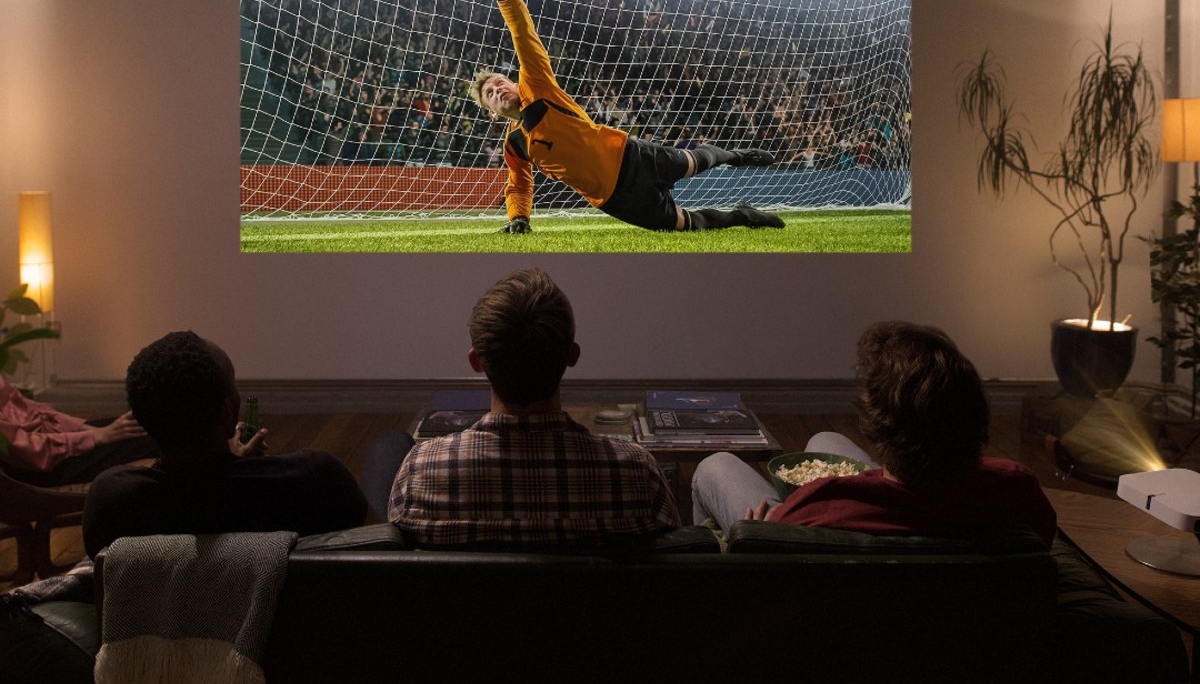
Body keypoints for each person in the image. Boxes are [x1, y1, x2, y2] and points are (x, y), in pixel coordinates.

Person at [459, 0, 787, 235]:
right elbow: (518, 185)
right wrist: (520, 218)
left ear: (514, 82)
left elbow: (523, 33)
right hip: (613, 198)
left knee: (692, 162)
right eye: (490, 93)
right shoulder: (515, 145)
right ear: (491, 113)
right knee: (683, 225)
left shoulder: (538, 86)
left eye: (500, 82)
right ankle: (744, 217)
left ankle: (737, 155)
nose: (498, 89)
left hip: (630, 156)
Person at [691, 321, 1058, 546]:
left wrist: (756, 537)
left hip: (799, 544)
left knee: (715, 465)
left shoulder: (823, 503)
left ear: (878, 426)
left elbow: (775, 557)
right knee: (823, 441)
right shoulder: (1016, 488)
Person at [388, 268, 679, 545]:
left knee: (386, 448)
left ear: (476, 362)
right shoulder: (638, 474)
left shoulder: (420, 472)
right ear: (572, 355)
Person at [82, 331, 367, 558]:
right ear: (228, 412)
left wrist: (228, 464)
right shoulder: (316, 480)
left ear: (143, 418)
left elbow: (200, 493)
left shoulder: (112, 502)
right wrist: (234, 467)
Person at [0, 376, 158, 488]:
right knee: (154, 437)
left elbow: (29, 407)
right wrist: (96, 437)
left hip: (51, 439)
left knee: (146, 423)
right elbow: (26, 449)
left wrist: (90, 430)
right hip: (40, 466)